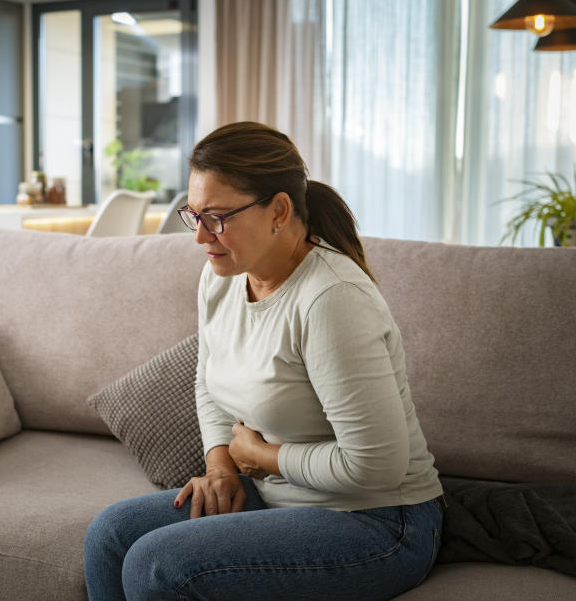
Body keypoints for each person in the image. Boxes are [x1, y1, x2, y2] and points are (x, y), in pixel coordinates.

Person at [84, 121, 445, 601]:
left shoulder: (331, 300)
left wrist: (262, 457)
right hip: (278, 497)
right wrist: (221, 467)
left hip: (376, 519)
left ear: (278, 210)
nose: (200, 237)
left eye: (217, 216)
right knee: (109, 535)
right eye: (195, 216)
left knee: (157, 565)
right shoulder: (222, 276)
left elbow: (375, 466)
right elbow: (209, 382)